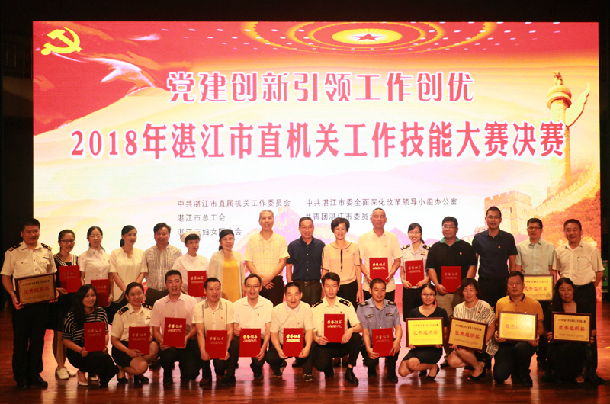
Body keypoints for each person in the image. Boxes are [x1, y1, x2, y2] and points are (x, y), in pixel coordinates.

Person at [1, 218, 57, 390]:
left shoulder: (47, 251)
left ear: (39, 231)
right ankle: (21, 377)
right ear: (22, 233)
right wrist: (12, 295)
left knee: (38, 341)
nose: (32, 234)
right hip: (21, 305)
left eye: (35, 231)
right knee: (20, 341)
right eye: (29, 232)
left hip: (41, 305)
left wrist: (53, 291)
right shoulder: (13, 252)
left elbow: (52, 274)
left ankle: (35, 374)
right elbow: (5, 277)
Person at [553, 219, 605, 384]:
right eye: (568, 230)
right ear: (564, 232)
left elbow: (599, 273)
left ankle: (590, 371)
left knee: (590, 331)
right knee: (568, 329)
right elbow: (556, 271)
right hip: (566, 293)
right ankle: (572, 370)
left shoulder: (591, 249)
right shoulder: (559, 250)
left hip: (585, 292)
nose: (571, 233)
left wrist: (587, 289)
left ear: (581, 231)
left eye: (574, 229)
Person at [426, 216, 477, 366]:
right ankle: (449, 355)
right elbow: (431, 268)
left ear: (456, 229)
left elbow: (472, 266)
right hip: (443, 293)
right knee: (446, 325)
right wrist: (437, 284)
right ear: (442, 229)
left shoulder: (465, 246)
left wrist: (464, 286)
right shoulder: (435, 247)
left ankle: (466, 355)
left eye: (451, 226)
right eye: (445, 226)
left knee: (463, 323)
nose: (448, 229)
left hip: (462, 294)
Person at [303, 272, 363, 385]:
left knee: (356, 338)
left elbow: (359, 327)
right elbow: (311, 331)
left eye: (334, 286)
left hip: (343, 343)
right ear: (323, 286)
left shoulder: (346, 305)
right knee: (321, 365)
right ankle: (328, 368)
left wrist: (350, 330)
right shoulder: (316, 308)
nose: (331, 290)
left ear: (338, 287)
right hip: (325, 345)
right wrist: (317, 339)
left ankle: (350, 370)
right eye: (327, 286)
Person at [514, 218, 555, 369]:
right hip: (527, 294)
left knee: (542, 324)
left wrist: (553, 291)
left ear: (541, 230)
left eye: (536, 228)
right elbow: (518, 269)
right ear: (527, 229)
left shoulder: (550, 247)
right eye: (530, 227)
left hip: (544, 294)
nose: (533, 230)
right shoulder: (520, 247)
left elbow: (552, 270)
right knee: (525, 323)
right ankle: (523, 357)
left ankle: (542, 357)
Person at [493, 271, 544, 387]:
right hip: (506, 343)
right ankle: (514, 366)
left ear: (523, 285)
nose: (514, 286)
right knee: (499, 376)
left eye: (517, 283)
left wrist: (535, 335)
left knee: (521, 348)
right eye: (511, 283)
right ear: (507, 286)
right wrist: (497, 333)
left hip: (526, 343)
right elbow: (498, 325)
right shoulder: (500, 303)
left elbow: (541, 329)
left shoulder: (534, 304)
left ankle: (523, 372)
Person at [150, 270, 200, 385]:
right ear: (166, 285)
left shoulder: (191, 301)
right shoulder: (159, 304)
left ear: (181, 283)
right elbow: (155, 330)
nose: (174, 285)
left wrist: (187, 337)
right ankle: (167, 372)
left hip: (187, 342)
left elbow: (197, 326)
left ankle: (185, 370)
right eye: (170, 282)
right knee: (166, 355)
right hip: (168, 344)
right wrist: (162, 341)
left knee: (191, 374)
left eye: (177, 281)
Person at [62, 285, 117, 387]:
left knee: (111, 369)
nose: (90, 299)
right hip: (78, 349)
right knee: (98, 357)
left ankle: (92, 371)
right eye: (87, 296)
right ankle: (82, 371)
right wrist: (80, 350)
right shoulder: (72, 315)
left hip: (96, 346)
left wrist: (104, 345)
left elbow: (105, 333)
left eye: (93, 295)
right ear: (80, 298)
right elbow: (65, 340)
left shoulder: (101, 312)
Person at [223, 274, 272, 385]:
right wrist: (235, 329)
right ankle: (230, 375)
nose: (252, 289)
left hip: (259, 340)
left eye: (255, 286)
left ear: (260, 287)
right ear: (244, 287)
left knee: (258, 362)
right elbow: (234, 326)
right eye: (249, 286)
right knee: (234, 343)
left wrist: (263, 348)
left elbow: (268, 330)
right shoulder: (237, 304)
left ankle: (257, 369)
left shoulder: (267, 304)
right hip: (242, 339)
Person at [542, 278, 593, 384]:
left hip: (578, 343)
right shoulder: (552, 309)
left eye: (569, 289)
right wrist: (548, 335)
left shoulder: (583, 307)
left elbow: (593, 329)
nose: (566, 293)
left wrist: (588, 336)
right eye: (562, 290)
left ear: (573, 290)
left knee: (577, 347)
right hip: (558, 343)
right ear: (557, 292)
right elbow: (545, 331)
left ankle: (578, 373)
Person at [447, 278, 498, 381]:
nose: (468, 293)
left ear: (476, 291)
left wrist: (481, 342)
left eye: (471, 290)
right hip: (465, 345)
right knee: (452, 361)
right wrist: (455, 341)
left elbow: (492, 326)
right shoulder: (458, 308)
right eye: (465, 290)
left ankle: (477, 368)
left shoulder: (484, 306)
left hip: (483, 345)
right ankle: (479, 364)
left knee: (461, 351)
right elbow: (456, 328)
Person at [111, 282, 159, 384]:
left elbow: (155, 330)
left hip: (143, 345)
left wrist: (151, 335)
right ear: (127, 296)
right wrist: (128, 351)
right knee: (142, 367)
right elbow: (114, 340)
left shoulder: (149, 310)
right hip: (124, 348)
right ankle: (121, 367)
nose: (136, 297)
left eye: (139, 293)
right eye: (132, 294)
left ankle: (137, 369)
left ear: (143, 294)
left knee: (154, 347)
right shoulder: (121, 314)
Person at [399, 284, 449, 379]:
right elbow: (411, 333)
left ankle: (433, 367)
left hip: (434, 349)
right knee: (402, 372)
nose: (428, 297)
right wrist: (410, 343)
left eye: (431, 294)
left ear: (435, 296)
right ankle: (426, 366)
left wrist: (441, 342)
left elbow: (445, 333)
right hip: (417, 349)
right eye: (425, 294)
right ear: (421, 295)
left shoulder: (441, 312)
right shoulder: (414, 312)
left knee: (412, 364)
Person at [357, 278, 402, 383]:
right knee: (370, 360)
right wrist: (368, 348)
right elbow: (365, 332)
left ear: (386, 291)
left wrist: (397, 341)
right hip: (371, 342)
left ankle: (391, 372)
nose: (379, 293)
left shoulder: (392, 306)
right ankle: (371, 368)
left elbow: (398, 327)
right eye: (376, 290)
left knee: (395, 345)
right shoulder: (363, 308)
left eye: (382, 290)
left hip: (387, 341)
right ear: (370, 291)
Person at [471, 207, 517, 309]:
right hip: (484, 283)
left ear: (500, 220)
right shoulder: (479, 238)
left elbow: (512, 263)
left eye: (496, 217)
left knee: (502, 311)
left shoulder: (508, 238)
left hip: (502, 283)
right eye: (490, 217)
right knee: (483, 312)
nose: (493, 220)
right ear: (486, 219)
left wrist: (511, 283)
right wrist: (472, 281)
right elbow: (474, 262)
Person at [267, 282, 314, 379]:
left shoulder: (306, 308)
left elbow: (309, 330)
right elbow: (274, 334)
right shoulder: (276, 310)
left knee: (312, 344)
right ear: (284, 296)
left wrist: (307, 347)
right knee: (271, 357)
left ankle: (307, 372)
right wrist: (279, 349)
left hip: (300, 343)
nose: (293, 298)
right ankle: (278, 370)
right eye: (289, 295)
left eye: (296, 294)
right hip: (283, 344)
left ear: (301, 295)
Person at [193, 277, 234, 386]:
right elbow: (200, 331)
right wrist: (203, 350)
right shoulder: (199, 307)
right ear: (205, 291)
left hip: (222, 341)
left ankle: (221, 372)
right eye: (211, 289)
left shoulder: (228, 305)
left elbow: (230, 331)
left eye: (217, 289)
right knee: (198, 347)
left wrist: (226, 349)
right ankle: (206, 375)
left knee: (220, 364)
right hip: (206, 340)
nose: (214, 292)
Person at [244, 210, 289, 306]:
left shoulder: (281, 239)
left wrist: (268, 278)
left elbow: (282, 262)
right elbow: (248, 262)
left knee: (275, 312)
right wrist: (260, 280)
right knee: (257, 311)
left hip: (275, 282)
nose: (267, 221)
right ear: (259, 221)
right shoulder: (252, 239)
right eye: (263, 218)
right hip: (256, 283)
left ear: (273, 220)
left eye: (269, 218)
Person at [51, 229, 79, 380]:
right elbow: (47, 280)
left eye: (71, 240)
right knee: (59, 334)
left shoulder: (77, 259)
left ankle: (64, 365)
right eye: (66, 241)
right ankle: (60, 366)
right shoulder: (53, 259)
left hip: (74, 301)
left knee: (70, 334)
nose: (69, 243)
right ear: (59, 242)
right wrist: (56, 289)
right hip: (59, 302)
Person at [358, 208, 402, 303]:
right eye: (376, 216)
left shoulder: (392, 237)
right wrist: (367, 274)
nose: (379, 219)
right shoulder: (363, 238)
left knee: (388, 312)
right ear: (371, 219)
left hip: (388, 286)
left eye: (382, 216)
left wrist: (391, 273)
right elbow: (358, 261)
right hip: (369, 286)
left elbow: (398, 260)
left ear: (386, 220)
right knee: (369, 312)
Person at [109, 226, 147, 323]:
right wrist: (127, 291)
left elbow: (142, 272)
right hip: (120, 294)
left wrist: (133, 290)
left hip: (136, 295)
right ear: (123, 236)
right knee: (119, 322)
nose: (132, 237)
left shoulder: (141, 253)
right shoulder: (115, 253)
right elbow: (114, 273)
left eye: (134, 234)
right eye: (129, 235)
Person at [322, 217, 362, 307]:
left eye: (343, 229)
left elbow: (358, 269)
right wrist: (324, 290)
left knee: (350, 314)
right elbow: (325, 271)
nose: (340, 232)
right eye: (337, 229)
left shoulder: (354, 247)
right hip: (333, 287)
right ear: (333, 230)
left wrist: (359, 290)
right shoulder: (327, 248)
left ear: (346, 230)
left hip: (350, 286)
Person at [287, 217, 325, 306]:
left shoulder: (320, 245)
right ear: (299, 228)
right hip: (298, 286)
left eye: (310, 227)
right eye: (304, 227)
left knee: (315, 312)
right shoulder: (293, 245)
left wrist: (323, 286)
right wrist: (290, 287)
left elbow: (324, 267)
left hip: (315, 286)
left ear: (313, 228)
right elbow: (288, 267)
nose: (307, 230)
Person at [144, 223, 182, 307]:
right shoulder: (148, 252)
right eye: (158, 234)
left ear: (169, 235)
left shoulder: (176, 252)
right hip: (152, 293)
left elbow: (180, 273)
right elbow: (144, 272)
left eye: (164, 234)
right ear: (154, 236)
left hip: (170, 292)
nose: (161, 236)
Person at [79, 226, 113, 318]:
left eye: (98, 235)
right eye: (93, 236)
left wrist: (111, 294)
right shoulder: (83, 256)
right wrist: (85, 296)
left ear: (102, 237)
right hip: (89, 297)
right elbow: (81, 278)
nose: (96, 238)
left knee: (103, 319)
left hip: (104, 295)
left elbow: (110, 278)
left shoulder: (107, 256)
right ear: (88, 238)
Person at [400, 223, 429, 321]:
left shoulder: (428, 251)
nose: (414, 235)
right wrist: (403, 281)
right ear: (408, 234)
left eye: (417, 232)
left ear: (421, 234)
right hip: (408, 288)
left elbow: (431, 271)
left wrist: (425, 281)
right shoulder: (404, 250)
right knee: (409, 318)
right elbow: (402, 270)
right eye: (411, 232)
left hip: (423, 289)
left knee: (424, 317)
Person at [208, 229, 246, 302]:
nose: (228, 241)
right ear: (220, 242)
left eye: (230, 238)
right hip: (222, 293)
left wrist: (244, 289)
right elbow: (211, 277)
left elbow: (242, 275)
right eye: (225, 239)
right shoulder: (216, 256)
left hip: (236, 292)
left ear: (234, 240)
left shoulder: (238, 255)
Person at [172, 231, 209, 300]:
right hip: (184, 296)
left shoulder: (204, 260)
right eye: (191, 242)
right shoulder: (180, 261)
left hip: (202, 297)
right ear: (186, 245)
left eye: (196, 242)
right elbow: (173, 278)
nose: (194, 245)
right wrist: (183, 291)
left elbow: (209, 278)